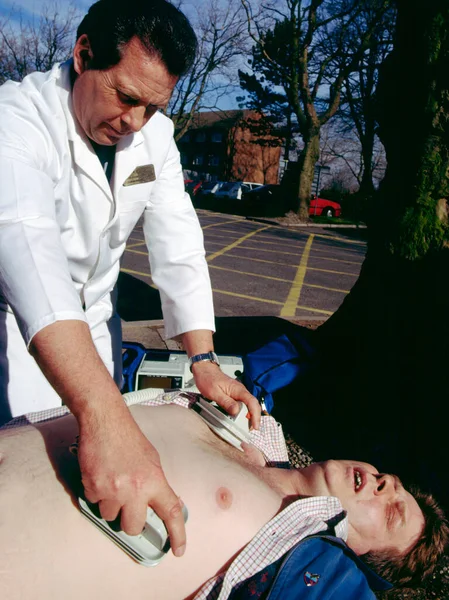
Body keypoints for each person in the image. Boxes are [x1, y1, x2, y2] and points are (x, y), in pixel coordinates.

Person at [0, 0, 260, 554]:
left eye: (153, 106)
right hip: (18, 330)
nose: (135, 123)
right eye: (126, 97)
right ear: (83, 52)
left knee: (97, 485)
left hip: (96, 327)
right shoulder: (14, 122)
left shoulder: (153, 137)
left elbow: (178, 241)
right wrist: (104, 414)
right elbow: (30, 258)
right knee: (26, 481)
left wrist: (203, 360)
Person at [0, 393, 447, 600]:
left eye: (391, 512)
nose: (384, 482)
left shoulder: (281, 561)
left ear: (359, 557)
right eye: (389, 479)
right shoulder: (250, 430)